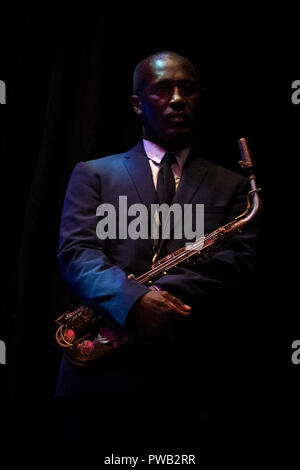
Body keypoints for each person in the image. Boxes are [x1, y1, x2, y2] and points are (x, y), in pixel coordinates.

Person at [55, 51, 260, 454]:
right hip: (102, 382)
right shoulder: (93, 173)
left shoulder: (235, 186)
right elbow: (77, 253)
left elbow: (239, 263)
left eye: (189, 89)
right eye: (163, 89)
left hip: (196, 383)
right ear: (137, 104)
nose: (178, 98)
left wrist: (160, 298)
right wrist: (133, 302)